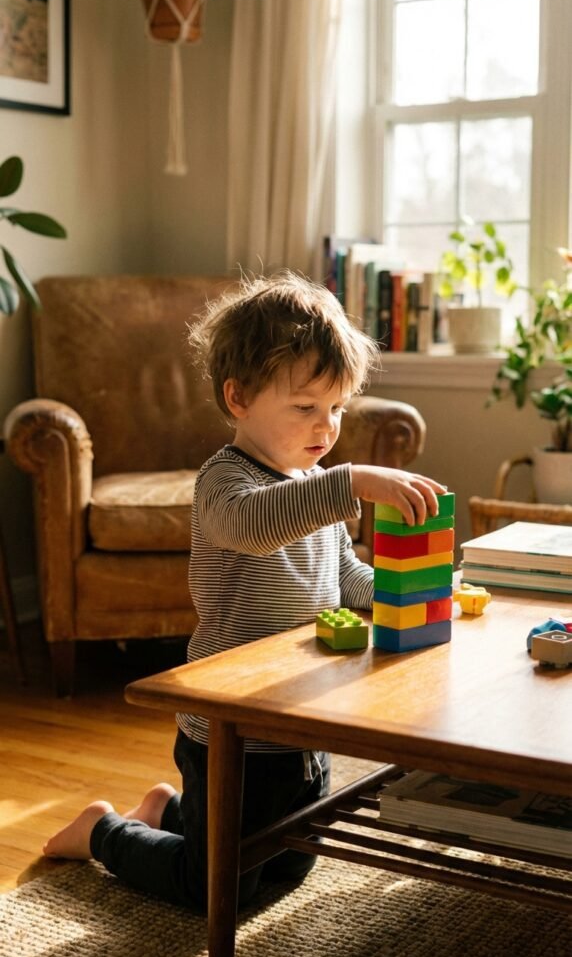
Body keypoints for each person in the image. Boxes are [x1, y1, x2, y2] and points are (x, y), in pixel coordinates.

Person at [43, 271, 446, 909]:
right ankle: (103, 831)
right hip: (233, 728)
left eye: (337, 408)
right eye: (306, 407)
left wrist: (413, 586)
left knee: (287, 862)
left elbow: (345, 577)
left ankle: (170, 813)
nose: (328, 425)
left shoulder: (315, 485)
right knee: (217, 890)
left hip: (301, 718)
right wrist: (350, 482)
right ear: (238, 398)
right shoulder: (225, 486)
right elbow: (257, 528)